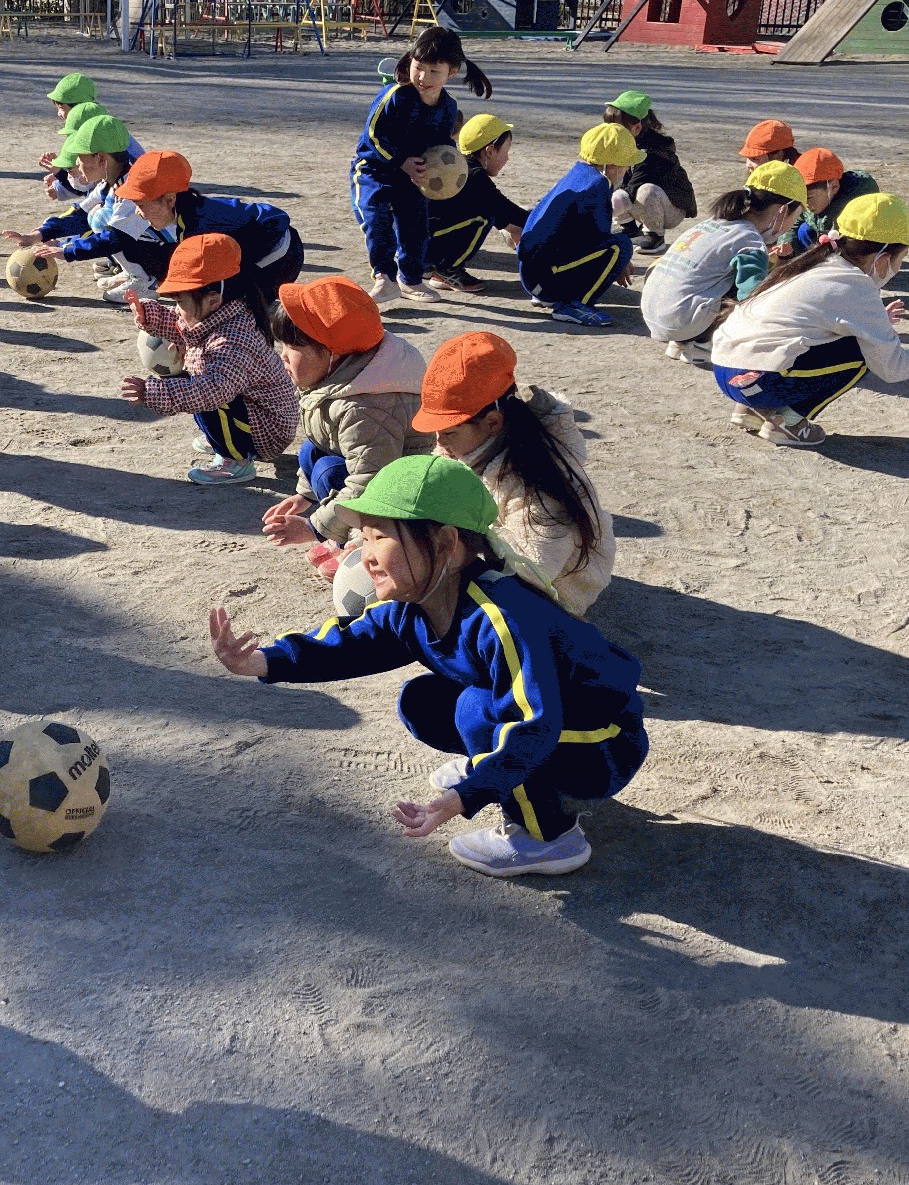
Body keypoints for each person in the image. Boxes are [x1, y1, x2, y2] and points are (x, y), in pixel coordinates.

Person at [209, 453, 646, 877]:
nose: (365, 554)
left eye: (380, 537)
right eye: (363, 538)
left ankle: (549, 836)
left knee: (477, 713)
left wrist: (462, 798)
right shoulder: (414, 605)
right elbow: (348, 645)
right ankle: (505, 771)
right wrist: (259, 662)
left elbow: (533, 725)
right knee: (424, 700)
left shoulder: (504, 617)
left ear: (445, 544)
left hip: (604, 743)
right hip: (561, 726)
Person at [710, 193, 909, 447]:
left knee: (840, 343)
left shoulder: (815, 264)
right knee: (861, 353)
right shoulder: (856, 286)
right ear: (882, 258)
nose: (900, 266)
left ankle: (752, 410)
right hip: (759, 382)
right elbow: (892, 368)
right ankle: (788, 422)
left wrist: (878, 321)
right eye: (902, 257)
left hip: (726, 372)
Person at [410, 331, 614, 614]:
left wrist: (455, 543)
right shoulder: (467, 446)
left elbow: (534, 569)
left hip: (555, 589)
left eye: (449, 432)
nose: (439, 442)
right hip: (505, 554)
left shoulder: (538, 483)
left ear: (493, 423)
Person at [262, 275, 431, 556]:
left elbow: (371, 481)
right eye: (282, 345)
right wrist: (304, 495)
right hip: (378, 471)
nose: (283, 356)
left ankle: (357, 544)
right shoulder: (347, 374)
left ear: (335, 354)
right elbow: (323, 438)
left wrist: (314, 528)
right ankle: (347, 533)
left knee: (329, 471)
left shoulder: (365, 407)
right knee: (312, 451)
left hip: (405, 499)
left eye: (294, 348)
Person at [121, 234, 299, 486]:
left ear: (213, 299)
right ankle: (224, 439)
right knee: (200, 386)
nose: (177, 309)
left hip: (268, 430)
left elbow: (212, 392)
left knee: (207, 393)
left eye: (180, 302)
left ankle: (235, 459)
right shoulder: (219, 314)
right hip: (255, 413)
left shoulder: (233, 341)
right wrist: (149, 315)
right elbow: (183, 327)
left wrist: (154, 393)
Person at [350, 24, 492, 305]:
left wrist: (446, 170)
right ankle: (384, 278)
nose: (424, 77)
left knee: (415, 228)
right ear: (410, 60)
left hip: (414, 176)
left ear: (451, 72)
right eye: (419, 67)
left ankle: (411, 279)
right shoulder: (394, 96)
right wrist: (401, 160)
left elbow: (441, 146)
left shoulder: (448, 107)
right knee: (377, 222)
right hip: (374, 171)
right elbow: (374, 135)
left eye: (434, 71)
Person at [639, 161, 807, 365]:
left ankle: (682, 342)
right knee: (759, 291)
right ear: (783, 211)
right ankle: (705, 343)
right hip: (684, 321)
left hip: (655, 316)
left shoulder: (712, 225)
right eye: (797, 216)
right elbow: (752, 296)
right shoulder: (749, 240)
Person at [112, 149, 303, 303]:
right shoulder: (187, 217)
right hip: (268, 248)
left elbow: (277, 218)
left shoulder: (201, 225)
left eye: (141, 205)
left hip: (280, 255)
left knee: (231, 307)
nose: (137, 212)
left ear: (170, 199)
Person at [514, 123, 641, 328]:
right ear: (612, 166)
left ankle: (551, 295)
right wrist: (620, 260)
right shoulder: (598, 185)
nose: (627, 171)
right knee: (622, 245)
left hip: (532, 275)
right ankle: (574, 305)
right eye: (627, 165)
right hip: (544, 279)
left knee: (614, 246)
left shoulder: (579, 173)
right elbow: (599, 237)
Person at [4, 114, 143, 298]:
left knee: (101, 218)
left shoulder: (132, 189)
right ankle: (133, 271)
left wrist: (66, 250)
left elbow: (114, 239)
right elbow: (80, 215)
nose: (76, 162)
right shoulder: (110, 182)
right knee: (94, 214)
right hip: (151, 250)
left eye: (80, 157)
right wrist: (38, 235)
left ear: (101, 159)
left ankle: (143, 281)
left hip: (164, 257)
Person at [423, 113, 527, 295]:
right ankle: (447, 270)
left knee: (491, 210)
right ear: (490, 150)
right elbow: (510, 213)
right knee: (485, 216)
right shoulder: (475, 178)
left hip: (416, 241)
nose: (507, 158)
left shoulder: (460, 166)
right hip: (425, 244)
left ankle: (426, 265)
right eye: (506, 151)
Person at [602, 90, 696, 252]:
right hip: (638, 202)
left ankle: (654, 235)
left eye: (618, 128)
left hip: (669, 208)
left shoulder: (655, 150)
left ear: (637, 127)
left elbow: (636, 183)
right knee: (609, 179)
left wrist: (608, 208)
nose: (612, 133)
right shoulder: (622, 143)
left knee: (646, 190)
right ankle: (629, 229)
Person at [791, 147, 877, 253]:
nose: (805, 204)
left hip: (853, 245)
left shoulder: (857, 197)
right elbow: (795, 220)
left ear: (834, 187)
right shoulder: (814, 201)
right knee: (803, 230)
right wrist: (787, 243)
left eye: (808, 198)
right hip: (823, 237)